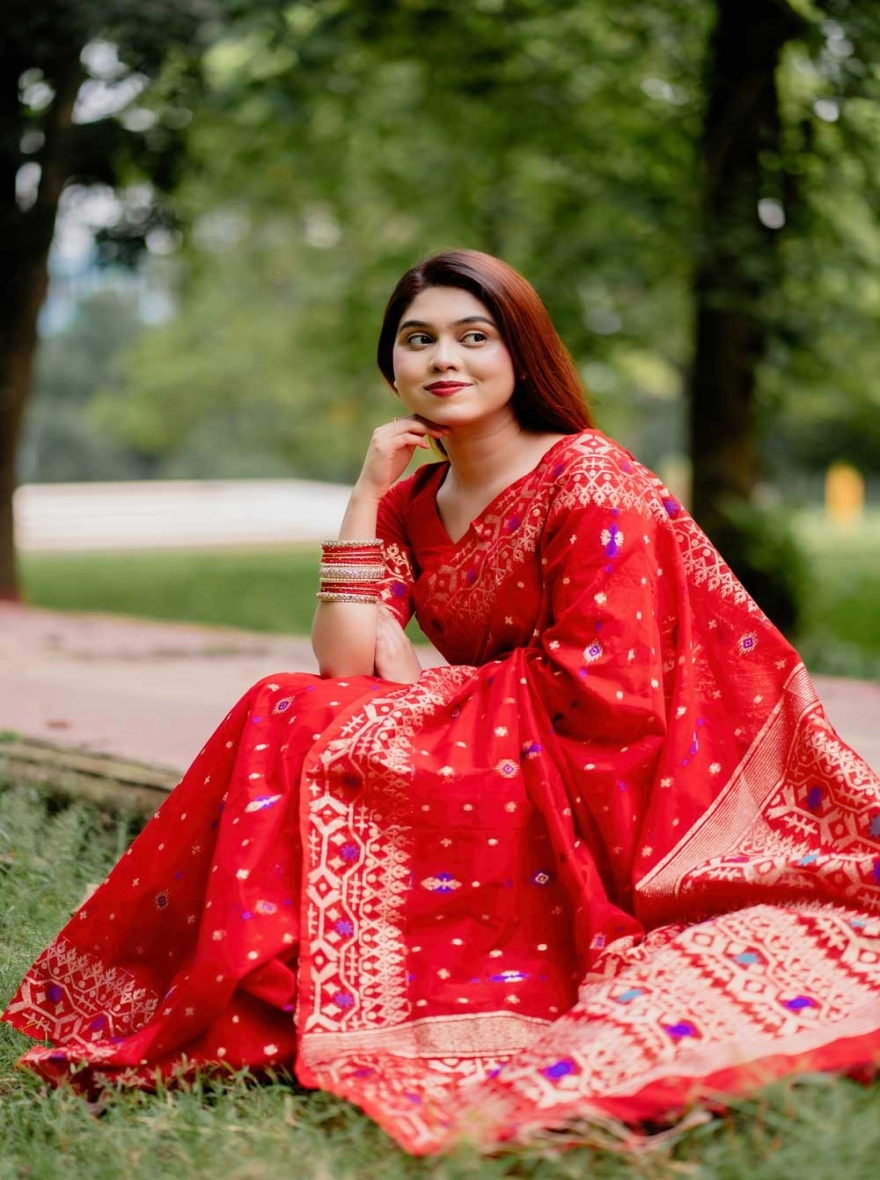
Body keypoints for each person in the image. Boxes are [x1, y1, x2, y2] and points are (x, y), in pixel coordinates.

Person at [4, 250, 879, 1156]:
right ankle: (261, 975)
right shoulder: (414, 501)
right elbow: (345, 661)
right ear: (392, 367)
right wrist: (364, 492)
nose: (443, 360)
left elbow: (610, 693)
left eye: (474, 337)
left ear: (521, 356)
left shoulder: (588, 478)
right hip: (501, 739)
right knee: (284, 706)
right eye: (418, 340)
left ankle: (272, 974)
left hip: (614, 775)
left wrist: (428, 693)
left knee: (294, 714)